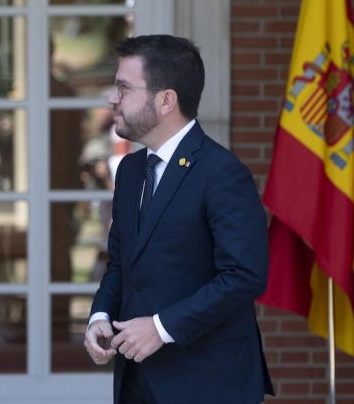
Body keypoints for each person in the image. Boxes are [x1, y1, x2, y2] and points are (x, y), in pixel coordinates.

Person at [83, 35, 274, 404]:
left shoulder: (222, 173)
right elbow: (122, 263)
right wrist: (99, 317)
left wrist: (161, 327)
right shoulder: (131, 169)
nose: (112, 98)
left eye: (123, 88)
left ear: (166, 100)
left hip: (208, 382)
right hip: (136, 379)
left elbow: (245, 276)